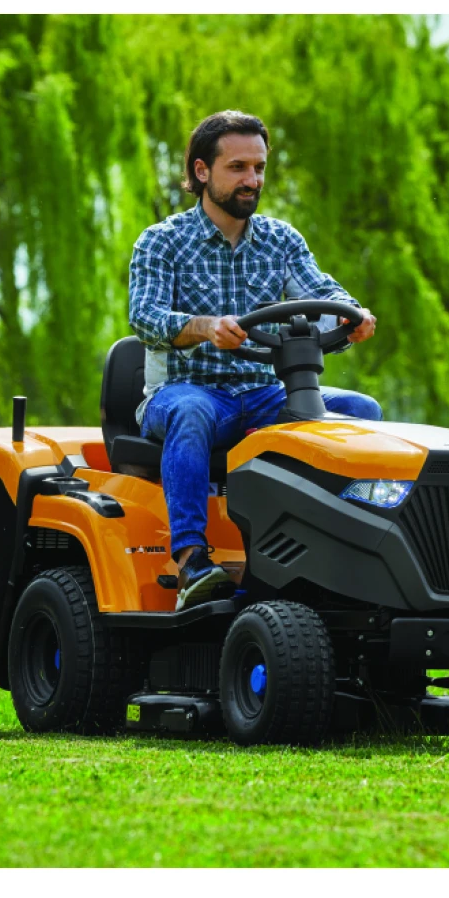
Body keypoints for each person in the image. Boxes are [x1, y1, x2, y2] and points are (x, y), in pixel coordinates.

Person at [128, 110, 379, 611]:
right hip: (186, 392)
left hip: (264, 395)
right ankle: (192, 562)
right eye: (238, 167)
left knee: (361, 411)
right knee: (191, 412)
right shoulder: (161, 241)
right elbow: (144, 317)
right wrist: (205, 327)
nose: (253, 180)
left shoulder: (280, 240)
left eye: (259, 168)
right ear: (202, 171)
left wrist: (352, 316)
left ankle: (344, 557)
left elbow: (324, 294)